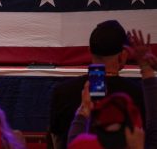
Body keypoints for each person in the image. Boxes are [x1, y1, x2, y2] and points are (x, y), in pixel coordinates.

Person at [49, 20, 146, 149]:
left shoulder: (62, 92)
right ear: (123, 56)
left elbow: (55, 140)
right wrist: (147, 69)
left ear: (90, 50)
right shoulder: (138, 95)